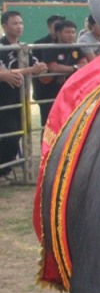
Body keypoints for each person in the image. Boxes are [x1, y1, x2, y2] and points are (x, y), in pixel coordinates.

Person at [0, 11, 48, 179]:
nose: (19, 26)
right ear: (5, 26)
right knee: (8, 134)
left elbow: (35, 66)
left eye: (21, 23)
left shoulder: (24, 48)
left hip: (20, 98)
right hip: (3, 99)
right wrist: (28, 71)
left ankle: (5, 169)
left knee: (19, 132)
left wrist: (39, 67)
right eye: (15, 23)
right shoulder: (1, 48)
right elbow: (3, 72)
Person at [35, 19, 87, 128]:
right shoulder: (50, 48)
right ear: (58, 33)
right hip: (49, 94)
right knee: (49, 126)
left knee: (69, 124)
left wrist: (67, 69)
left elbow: (84, 65)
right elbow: (53, 67)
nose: (71, 35)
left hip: (70, 94)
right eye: (67, 32)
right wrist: (74, 68)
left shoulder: (76, 48)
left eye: (73, 32)